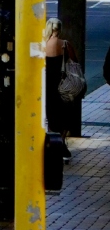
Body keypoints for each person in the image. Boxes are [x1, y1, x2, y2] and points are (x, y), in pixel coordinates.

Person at [44, 18, 78, 157]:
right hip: (63, 83)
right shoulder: (65, 44)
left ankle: (53, 141)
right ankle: (62, 141)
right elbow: (74, 62)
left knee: (51, 113)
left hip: (48, 83)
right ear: (60, 28)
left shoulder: (43, 45)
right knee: (65, 113)